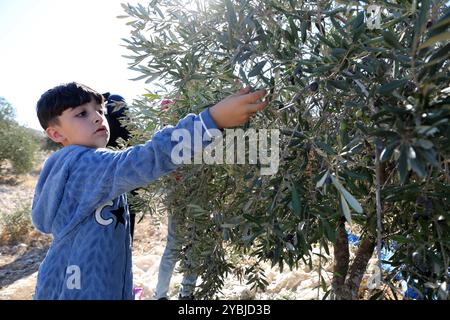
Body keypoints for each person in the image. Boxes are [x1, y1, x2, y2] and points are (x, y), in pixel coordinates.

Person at [31, 82, 267, 300]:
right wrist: (211, 120)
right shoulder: (87, 163)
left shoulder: (67, 165)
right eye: (82, 113)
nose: (97, 118)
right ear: (56, 133)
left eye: (99, 111)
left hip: (67, 278)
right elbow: (149, 157)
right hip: (86, 287)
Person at [103, 93, 137, 243]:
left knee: (107, 220)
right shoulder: (132, 125)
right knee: (128, 219)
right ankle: (127, 248)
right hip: (132, 181)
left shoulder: (105, 125)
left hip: (109, 182)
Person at [154, 213, 198, 300]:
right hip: (177, 201)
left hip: (198, 201)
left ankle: (186, 294)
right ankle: (161, 295)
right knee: (174, 247)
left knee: (194, 247)